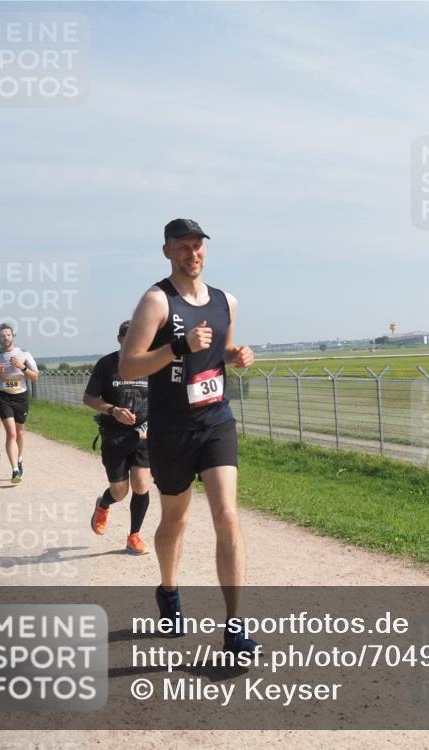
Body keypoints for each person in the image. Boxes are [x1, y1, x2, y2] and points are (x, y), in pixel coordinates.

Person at [120, 218, 256, 654]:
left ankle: (235, 627)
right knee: (175, 520)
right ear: (167, 252)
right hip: (171, 429)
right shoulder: (156, 301)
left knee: (227, 517)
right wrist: (178, 348)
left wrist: (238, 355)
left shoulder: (226, 301)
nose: (192, 254)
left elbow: (221, 350)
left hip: (216, 421)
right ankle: (169, 590)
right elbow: (129, 366)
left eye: (198, 246)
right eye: (182, 247)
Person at [84, 320, 152, 555]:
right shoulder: (107, 364)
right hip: (114, 436)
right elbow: (89, 399)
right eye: (130, 336)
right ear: (120, 339)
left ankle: (134, 536)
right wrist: (113, 410)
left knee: (142, 484)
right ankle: (103, 504)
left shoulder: (151, 363)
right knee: (120, 492)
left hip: (143, 435)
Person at [0, 324, 39, 483]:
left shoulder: (24, 354)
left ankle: (19, 458)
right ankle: (15, 470)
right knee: (12, 433)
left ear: (13, 336)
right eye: (2, 335)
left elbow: (35, 377)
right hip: (4, 397)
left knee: (20, 433)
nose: (6, 338)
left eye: (8, 335)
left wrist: (22, 367)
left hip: (21, 397)